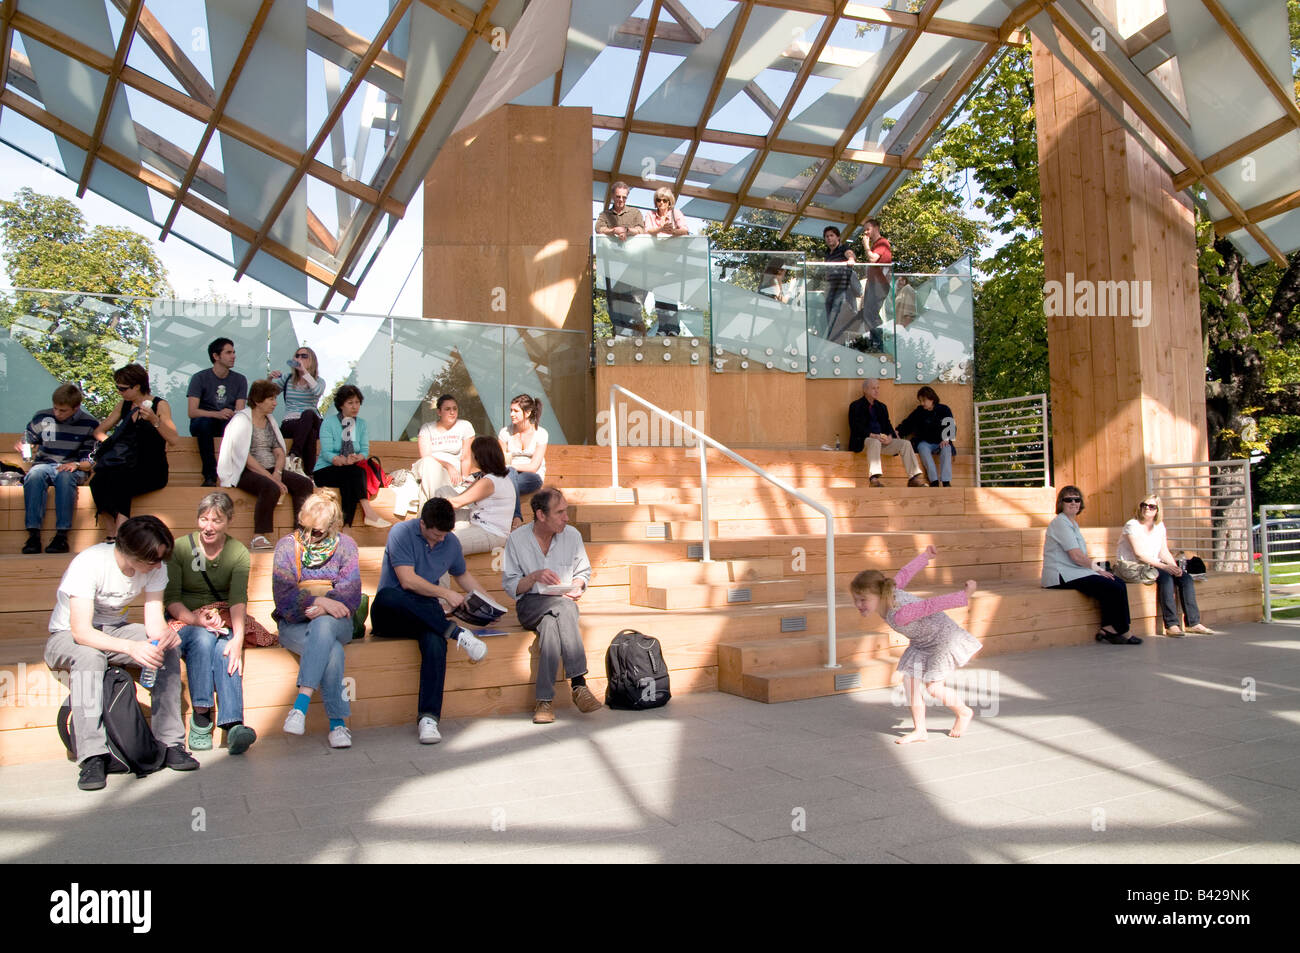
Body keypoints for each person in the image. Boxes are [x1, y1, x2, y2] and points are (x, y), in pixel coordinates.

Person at [43, 516, 198, 791]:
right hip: (67, 635)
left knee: (168, 649)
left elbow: (153, 622)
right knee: (91, 657)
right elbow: (81, 632)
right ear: (129, 553)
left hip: (115, 629)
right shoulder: (90, 564)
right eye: (152, 560)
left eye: (161, 559)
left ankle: (170, 742)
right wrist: (130, 648)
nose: (158, 565)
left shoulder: (155, 566)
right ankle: (93, 755)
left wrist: (165, 635)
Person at [369, 498, 491, 745]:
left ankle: (429, 718)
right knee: (389, 595)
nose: (439, 541)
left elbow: (462, 575)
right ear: (422, 523)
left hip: (428, 615)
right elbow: (407, 581)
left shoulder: (450, 542)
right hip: (392, 611)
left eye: (444, 536)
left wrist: (489, 603)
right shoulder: (401, 532)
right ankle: (458, 634)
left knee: (436, 640)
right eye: (435, 536)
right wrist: (446, 593)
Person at [851, 546, 980, 744]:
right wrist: (925, 557)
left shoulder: (901, 613)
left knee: (934, 687)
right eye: (856, 600)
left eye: (863, 600)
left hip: (942, 640)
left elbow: (931, 605)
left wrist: (965, 595)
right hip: (921, 643)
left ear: (879, 595)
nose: (859, 605)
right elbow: (905, 572)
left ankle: (963, 712)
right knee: (910, 683)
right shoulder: (890, 589)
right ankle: (920, 730)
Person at [164, 493, 257, 756]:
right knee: (204, 638)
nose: (208, 526)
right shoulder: (180, 548)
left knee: (225, 648)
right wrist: (196, 619)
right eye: (203, 519)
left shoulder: (237, 551)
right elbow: (171, 599)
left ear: (229, 520)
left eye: (216, 520)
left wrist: (237, 639)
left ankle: (234, 724)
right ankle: (201, 718)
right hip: (184, 617)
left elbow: (238, 598)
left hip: (222, 615)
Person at [502, 486, 602, 724]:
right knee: (564, 609)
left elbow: (583, 572)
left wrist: (577, 585)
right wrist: (534, 576)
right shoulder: (517, 539)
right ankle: (579, 683)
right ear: (541, 515)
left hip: (562, 603)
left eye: (565, 511)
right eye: (560, 513)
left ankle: (544, 702)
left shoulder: (572, 536)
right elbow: (511, 586)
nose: (566, 518)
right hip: (530, 604)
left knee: (551, 627)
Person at [272, 490, 362, 748]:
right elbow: (284, 597)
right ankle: (338, 724)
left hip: (339, 621)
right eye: (304, 528)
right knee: (331, 650)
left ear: (333, 526)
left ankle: (300, 705)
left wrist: (327, 607)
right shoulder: (288, 546)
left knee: (324, 625)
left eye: (317, 531)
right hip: (295, 623)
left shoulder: (346, 546)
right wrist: (319, 601)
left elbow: (350, 594)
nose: (308, 537)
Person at [217, 379, 315, 550]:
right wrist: (273, 478)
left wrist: (277, 471)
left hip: (271, 469)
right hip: (244, 471)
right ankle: (258, 536)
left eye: (275, 398)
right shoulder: (241, 420)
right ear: (257, 400)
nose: (275, 403)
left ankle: (301, 533)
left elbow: (278, 450)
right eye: (270, 399)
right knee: (270, 487)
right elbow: (244, 458)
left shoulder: (270, 421)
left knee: (304, 483)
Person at [90, 363, 179, 540]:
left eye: (122, 388)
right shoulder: (124, 405)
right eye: (117, 387)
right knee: (98, 481)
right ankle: (111, 532)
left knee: (121, 480)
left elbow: (174, 439)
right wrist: (113, 443)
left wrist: (154, 420)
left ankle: (121, 533)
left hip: (151, 467)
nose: (119, 392)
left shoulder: (159, 405)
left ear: (137, 386)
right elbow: (99, 431)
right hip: (124, 462)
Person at [1042, 486, 1136, 644]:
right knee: (1111, 585)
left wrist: (1098, 571)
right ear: (1061, 503)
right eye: (1068, 499)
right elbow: (1076, 556)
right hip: (1060, 575)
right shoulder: (1060, 523)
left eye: (1077, 499)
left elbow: (1079, 557)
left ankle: (1108, 627)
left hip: (1074, 571)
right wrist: (1098, 570)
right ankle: (1122, 630)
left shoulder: (1072, 523)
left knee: (1116, 582)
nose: (1073, 502)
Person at [18, 383, 99, 554]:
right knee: (34, 475)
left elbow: (90, 461)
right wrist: (24, 446)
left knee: (64, 476)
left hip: (73, 467)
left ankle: (61, 536)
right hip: (44, 464)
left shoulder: (89, 423)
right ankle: (33, 535)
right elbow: (28, 440)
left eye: (63, 410)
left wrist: (75, 464)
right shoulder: (42, 417)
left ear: (76, 408)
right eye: (55, 408)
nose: (57, 413)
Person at [1118, 494, 1213, 637]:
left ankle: (1193, 623)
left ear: (1157, 510)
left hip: (1153, 564)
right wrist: (1165, 568)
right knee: (1166, 578)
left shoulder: (1159, 526)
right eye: (1144, 505)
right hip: (1134, 566)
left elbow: (1163, 551)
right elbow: (1139, 555)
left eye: (1151, 506)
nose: (1147, 508)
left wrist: (1175, 567)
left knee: (1185, 578)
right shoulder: (1132, 525)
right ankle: (1171, 625)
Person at [312, 385, 390, 528]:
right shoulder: (329, 422)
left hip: (350, 470)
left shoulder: (361, 424)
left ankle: (346, 527)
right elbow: (327, 452)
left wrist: (357, 457)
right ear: (341, 405)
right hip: (326, 469)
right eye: (350, 403)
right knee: (354, 474)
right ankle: (368, 513)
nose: (355, 406)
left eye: (357, 402)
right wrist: (341, 460)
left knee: (351, 479)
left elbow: (365, 450)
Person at [439, 436, 516, 555]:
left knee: (444, 543)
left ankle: (432, 529)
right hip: (475, 520)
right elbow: (462, 496)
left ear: (479, 457)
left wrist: (433, 509)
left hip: (491, 533)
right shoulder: (485, 476)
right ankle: (435, 528)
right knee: (443, 491)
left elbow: (457, 503)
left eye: (472, 453)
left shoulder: (490, 481)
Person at [187, 337, 248, 486]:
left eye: (233, 352)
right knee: (203, 423)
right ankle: (209, 475)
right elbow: (192, 412)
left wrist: (230, 414)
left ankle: (239, 474)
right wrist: (217, 414)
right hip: (204, 423)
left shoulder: (240, 379)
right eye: (228, 352)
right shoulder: (199, 378)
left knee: (240, 425)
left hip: (227, 422)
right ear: (215, 356)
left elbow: (240, 411)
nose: (233, 356)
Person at [847, 378, 928, 488]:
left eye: (878, 388)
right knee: (874, 441)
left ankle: (913, 478)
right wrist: (873, 435)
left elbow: (888, 426)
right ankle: (874, 479)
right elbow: (856, 427)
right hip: (863, 442)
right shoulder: (855, 406)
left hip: (881, 442)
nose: (877, 391)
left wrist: (890, 436)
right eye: (873, 388)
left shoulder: (882, 407)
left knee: (905, 444)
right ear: (865, 390)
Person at [270, 345, 325, 473]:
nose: (299, 358)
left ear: (312, 360)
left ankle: (294, 454)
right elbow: (268, 394)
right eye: (297, 356)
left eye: (304, 356)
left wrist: (304, 372)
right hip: (291, 422)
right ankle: (310, 473)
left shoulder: (318, 381)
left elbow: (317, 391)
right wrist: (270, 378)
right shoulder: (288, 379)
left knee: (308, 414)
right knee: (309, 433)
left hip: (312, 419)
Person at [412, 394, 475, 505]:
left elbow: (466, 457)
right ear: (439, 412)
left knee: (426, 491)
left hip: (452, 474)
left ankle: (430, 511)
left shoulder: (465, 426)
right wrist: (447, 465)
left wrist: (465, 478)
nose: (452, 412)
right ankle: (438, 508)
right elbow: (426, 456)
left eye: (455, 408)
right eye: (447, 409)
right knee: (429, 464)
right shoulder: (427, 428)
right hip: (428, 467)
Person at [497, 393, 548, 526]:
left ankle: (514, 518)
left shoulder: (541, 433)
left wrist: (511, 466)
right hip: (508, 475)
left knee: (507, 477)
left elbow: (533, 467)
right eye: (511, 410)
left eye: (516, 411)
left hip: (532, 477)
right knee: (509, 475)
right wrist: (509, 468)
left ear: (528, 412)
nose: (511, 414)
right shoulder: (504, 432)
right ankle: (517, 519)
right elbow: (500, 461)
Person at [897, 385, 956, 487]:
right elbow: (908, 423)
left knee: (947, 448)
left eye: (924, 400)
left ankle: (946, 481)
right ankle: (934, 481)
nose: (922, 403)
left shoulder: (944, 409)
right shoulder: (919, 411)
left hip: (941, 442)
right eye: (920, 401)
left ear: (932, 399)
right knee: (922, 448)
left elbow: (951, 425)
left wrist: (946, 439)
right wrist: (897, 432)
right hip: (925, 442)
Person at [822, 225, 857, 342]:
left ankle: (835, 337)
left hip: (842, 286)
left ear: (838, 237)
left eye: (831, 235)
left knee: (836, 308)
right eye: (826, 236)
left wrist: (851, 259)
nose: (829, 238)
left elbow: (850, 253)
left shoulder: (842, 248)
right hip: (832, 286)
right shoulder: (828, 253)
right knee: (828, 305)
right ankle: (831, 334)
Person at [860, 218, 893, 344]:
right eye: (864, 231)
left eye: (868, 229)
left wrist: (866, 246)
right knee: (867, 312)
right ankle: (874, 341)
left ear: (876, 228)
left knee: (871, 313)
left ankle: (878, 342)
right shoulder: (876, 244)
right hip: (873, 283)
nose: (866, 233)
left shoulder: (882, 242)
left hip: (879, 284)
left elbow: (873, 258)